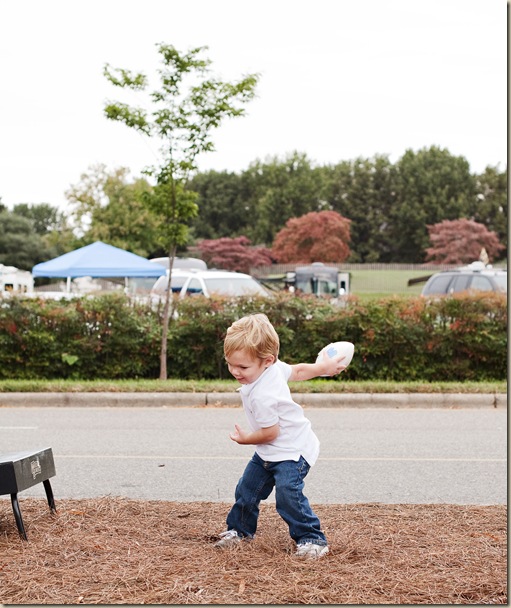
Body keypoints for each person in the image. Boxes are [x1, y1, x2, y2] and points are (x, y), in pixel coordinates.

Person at [215, 313, 347, 559]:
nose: (235, 371)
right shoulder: (271, 369)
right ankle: (240, 531)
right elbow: (296, 371)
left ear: (267, 360)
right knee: (247, 489)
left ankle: (312, 539)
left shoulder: (264, 393)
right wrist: (322, 369)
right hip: (270, 451)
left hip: (292, 450)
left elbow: (270, 432)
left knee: (288, 494)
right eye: (230, 363)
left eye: (243, 367)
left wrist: (245, 439)